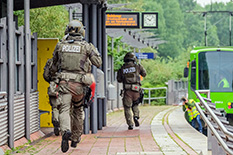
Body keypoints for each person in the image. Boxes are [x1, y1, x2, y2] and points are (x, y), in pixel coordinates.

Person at [50, 20, 102, 153]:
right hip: (79, 85)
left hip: (64, 84)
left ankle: (66, 131)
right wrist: (93, 51)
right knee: (78, 110)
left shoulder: (60, 45)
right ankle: (75, 137)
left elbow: (54, 66)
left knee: (64, 109)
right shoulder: (86, 46)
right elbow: (98, 62)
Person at [117, 52, 146, 130]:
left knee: (127, 107)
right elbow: (144, 74)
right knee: (135, 105)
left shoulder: (122, 69)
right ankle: (136, 116)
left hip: (127, 91)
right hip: (136, 90)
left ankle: (130, 124)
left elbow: (119, 79)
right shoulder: (137, 67)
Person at [43, 58, 60, 136]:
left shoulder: (50, 61)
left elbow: (45, 75)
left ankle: (56, 121)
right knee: (66, 107)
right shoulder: (67, 60)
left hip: (53, 85)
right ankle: (65, 127)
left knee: (55, 107)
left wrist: (51, 81)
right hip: (66, 84)